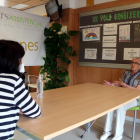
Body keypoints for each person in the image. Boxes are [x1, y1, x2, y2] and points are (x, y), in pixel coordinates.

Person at [0, 40, 41, 140]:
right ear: (11, 60)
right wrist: (19, 109)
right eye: (20, 59)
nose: (21, 62)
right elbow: (35, 112)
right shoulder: (12, 80)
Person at [100, 57, 140, 140]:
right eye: (132, 62)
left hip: (135, 99)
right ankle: (107, 131)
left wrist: (124, 85)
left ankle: (118, 135)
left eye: (136, 63)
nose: (133, 64)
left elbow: (137, 90)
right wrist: (111, 84)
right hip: (122, 96)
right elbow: (120, 84)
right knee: (110, 105)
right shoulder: (126, 72)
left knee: (120, 107)